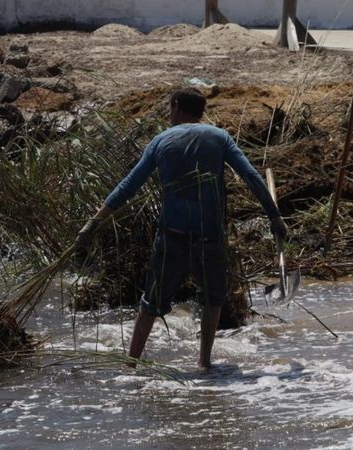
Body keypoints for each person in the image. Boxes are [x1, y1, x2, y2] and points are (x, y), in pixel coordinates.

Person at [75, 88, 287, 369]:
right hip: (209, 237)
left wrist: (93, 224)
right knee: (212, 300)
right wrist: (275, 218)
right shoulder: (219, 137)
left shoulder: (161, 141)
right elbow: (251, 176)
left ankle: (130, 364)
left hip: (172, 238)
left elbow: (128, 186)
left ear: (175, 106)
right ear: (201, 111)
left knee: (150, 304)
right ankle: (204, 363)